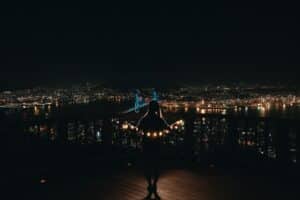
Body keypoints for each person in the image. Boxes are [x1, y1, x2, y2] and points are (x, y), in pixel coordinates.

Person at [138, 101, 169, 199]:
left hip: (146, 144)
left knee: (147, 165)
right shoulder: (159, 119)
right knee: (156, 165)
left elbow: (139, 128)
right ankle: (154, 183)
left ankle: (150, 183)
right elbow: (167, 127)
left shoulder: (144, 119)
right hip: (157, 144)